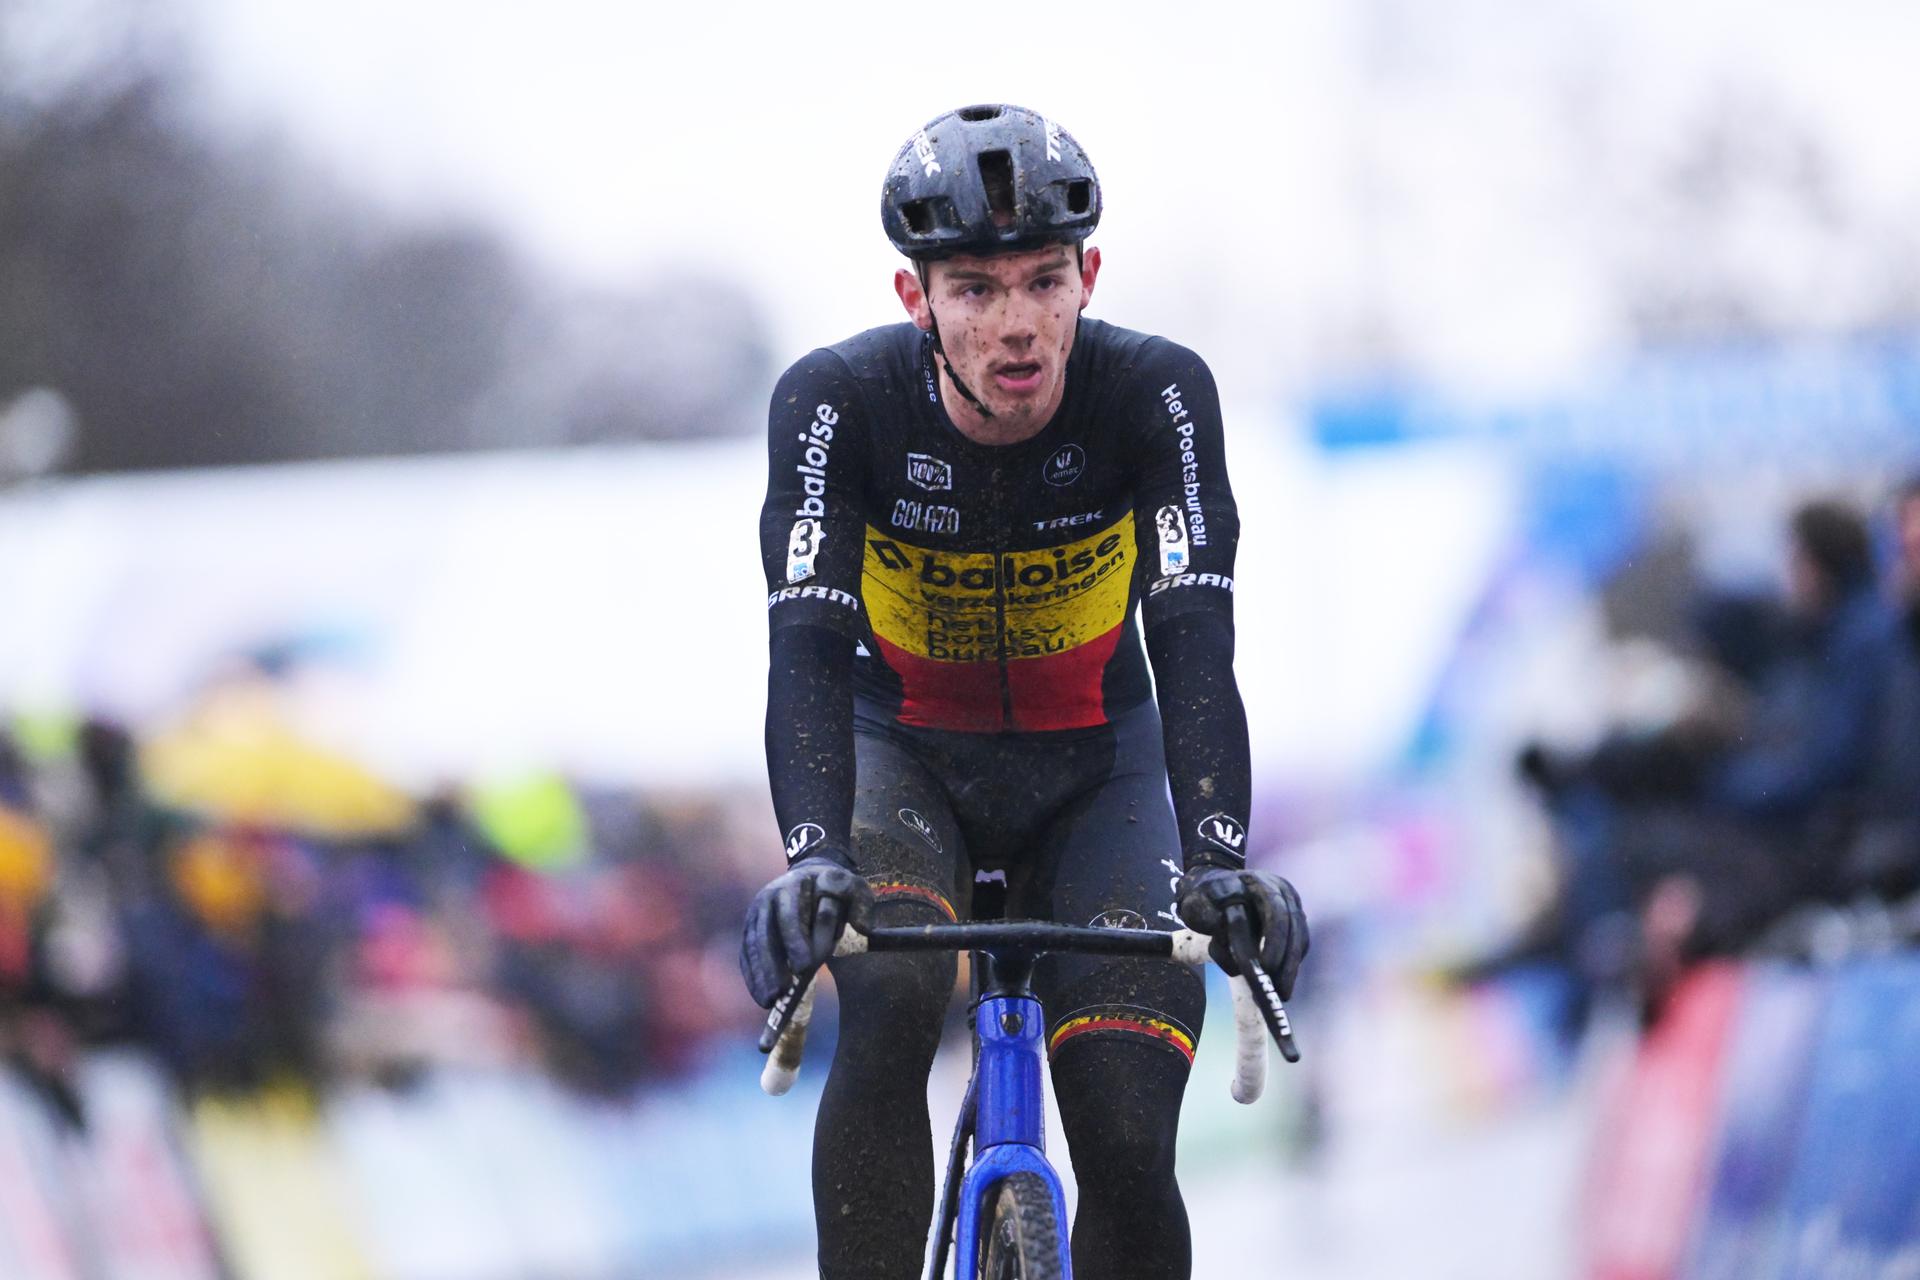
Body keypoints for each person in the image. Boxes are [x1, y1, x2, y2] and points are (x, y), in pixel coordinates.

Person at [738, 105, 1308, 1279]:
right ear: (917, 299)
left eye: (1044, 280)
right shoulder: (837, 403)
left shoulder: (1154, 393)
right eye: (975, 289)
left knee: (1129, 1131)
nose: (1015, 324)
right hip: (903, 759)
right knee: (893, 998)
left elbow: (1195, 635)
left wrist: (1219, 856)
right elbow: (805, 646)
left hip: (1099, 770)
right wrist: (812, 856)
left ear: (1087, 277)